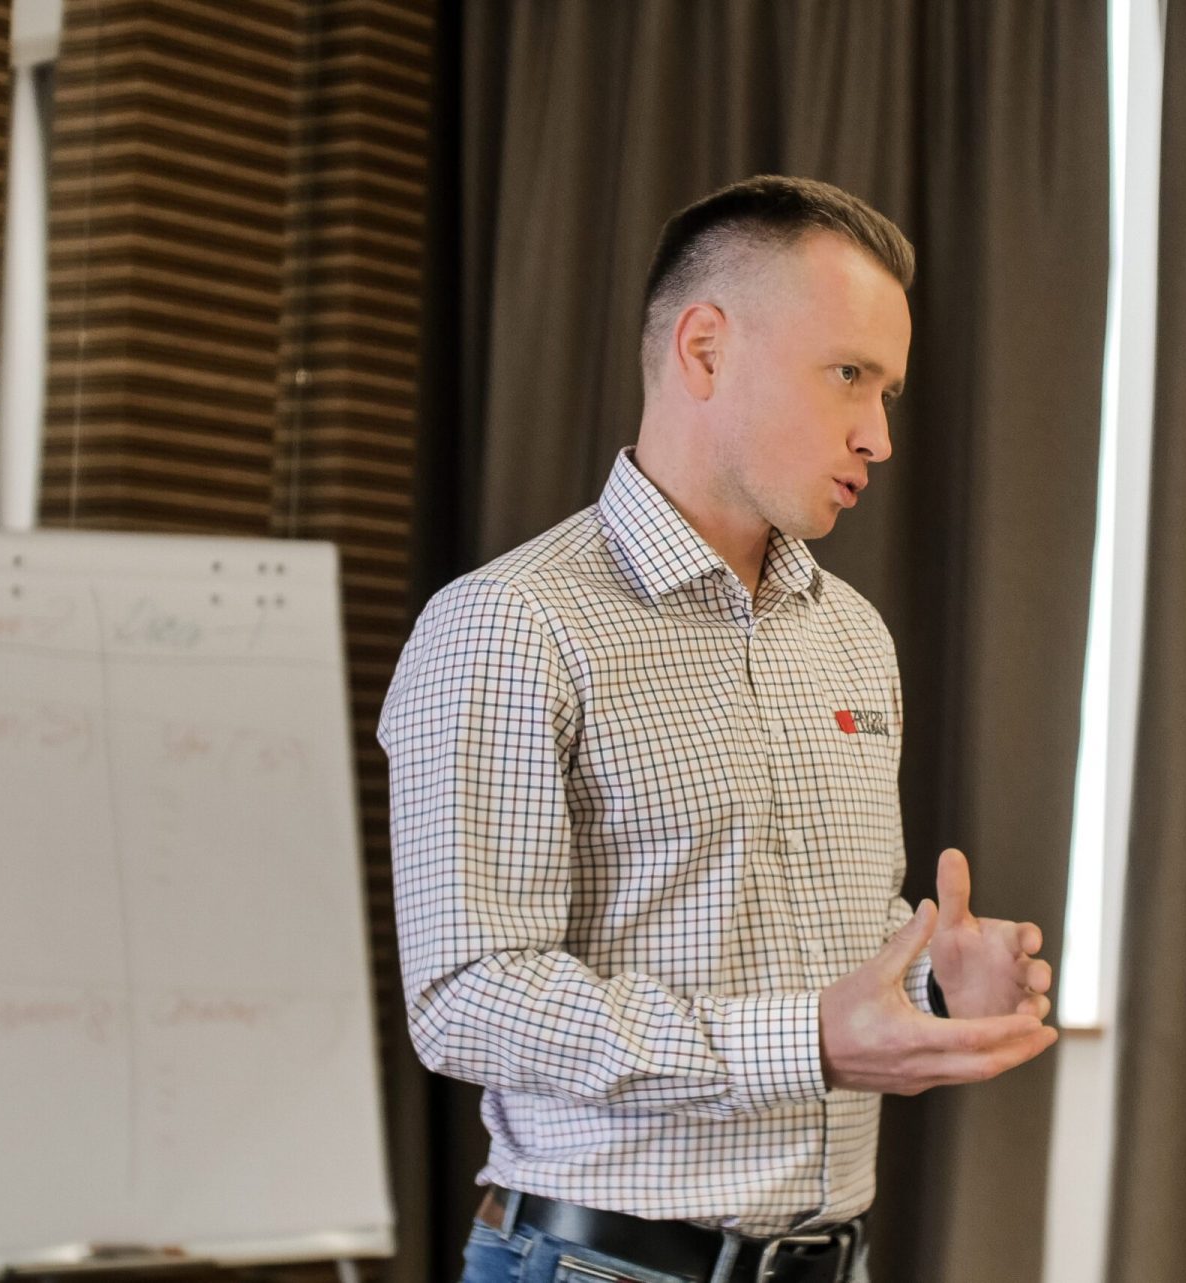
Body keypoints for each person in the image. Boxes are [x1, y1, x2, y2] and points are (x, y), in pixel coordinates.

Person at [379, 175, 1057, 1283]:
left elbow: (806, 940)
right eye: (849, 375)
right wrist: (807, 1041)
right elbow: (467, 999)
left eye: (887, 390)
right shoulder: (511, 622)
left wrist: (936, 978)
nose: (880, 436)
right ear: (704, 351)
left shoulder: (853, 633)